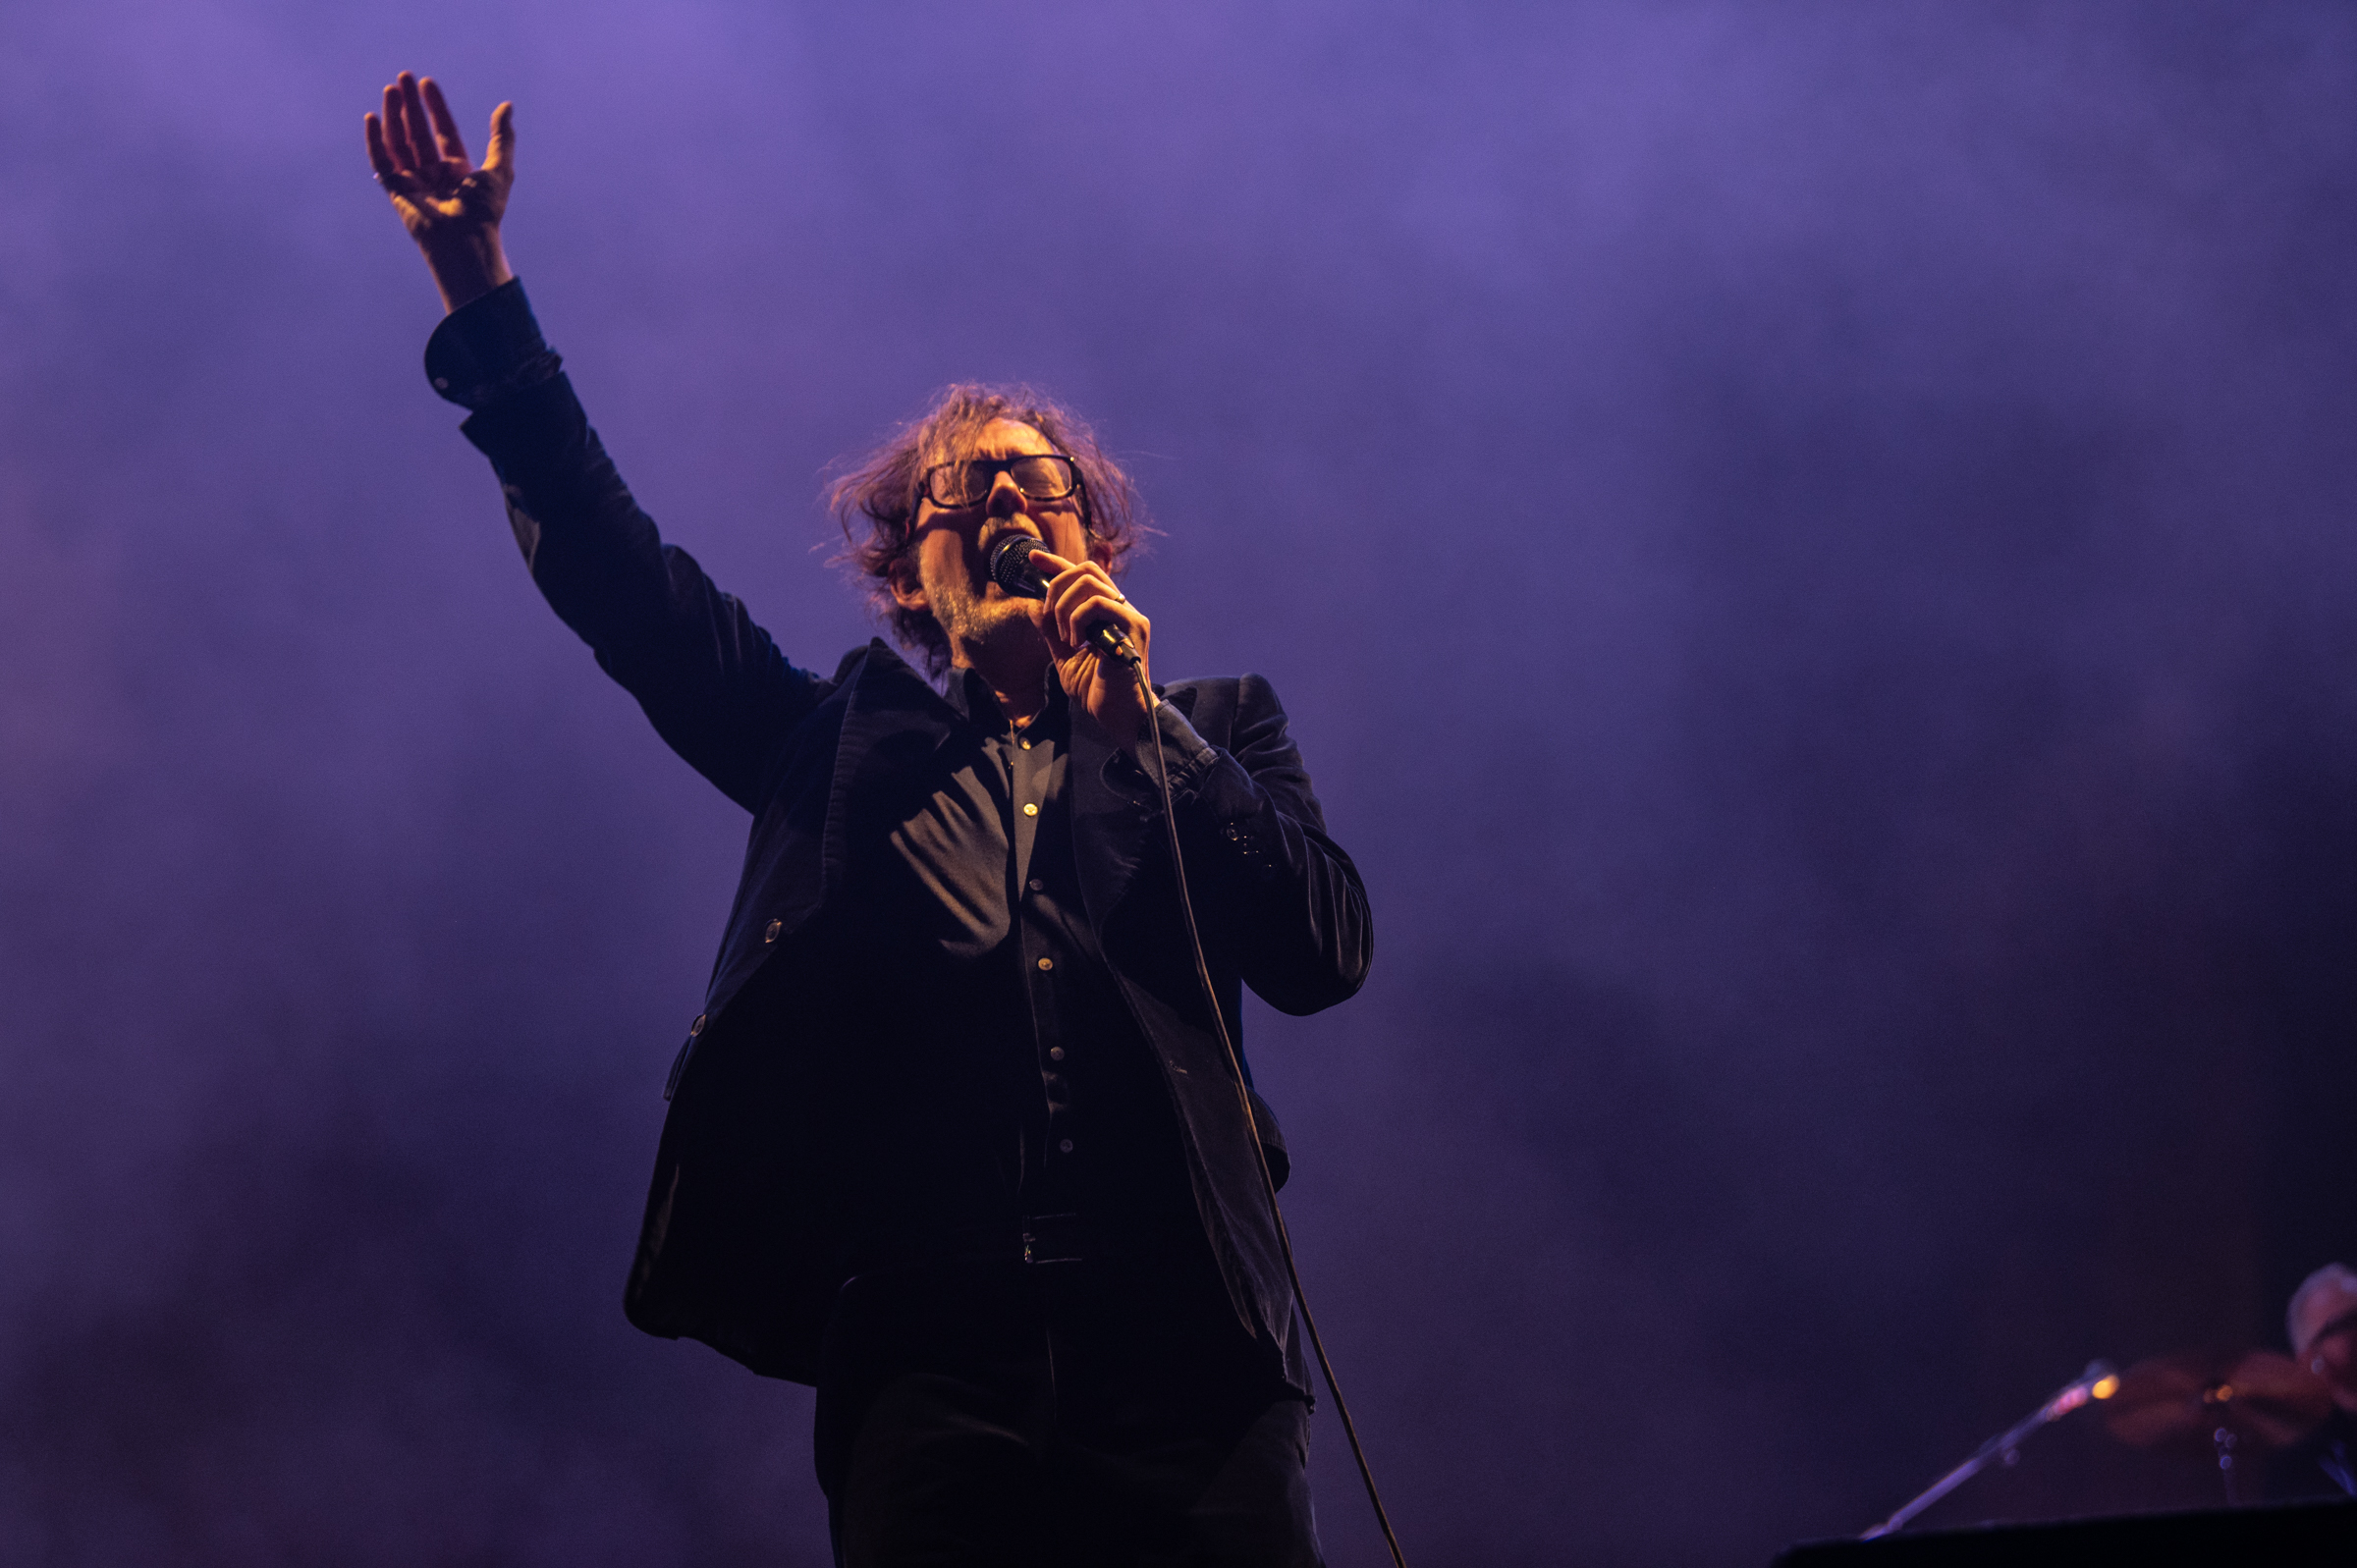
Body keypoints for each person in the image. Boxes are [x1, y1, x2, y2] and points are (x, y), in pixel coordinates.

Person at [363, 73, 1372, 1566]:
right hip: (932, 1367)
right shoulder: (832, 746)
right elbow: (621, 577)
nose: (1007, 505)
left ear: (1097, 538)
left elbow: (1323, 951)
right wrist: (479, 286)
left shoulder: (1215, 725)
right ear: (910, 575)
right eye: (965, 497)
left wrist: (1147, 735)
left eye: (1036, 485)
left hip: (1190, 1357)